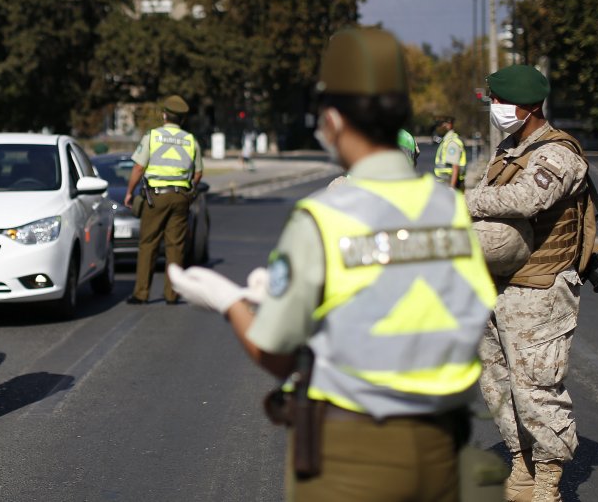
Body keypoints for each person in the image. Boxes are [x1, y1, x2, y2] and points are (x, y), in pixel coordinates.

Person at [167, 28, 499, 501]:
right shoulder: (450, 206)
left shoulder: (323, 218)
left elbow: (276, 354)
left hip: (353, 455)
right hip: (441, 447)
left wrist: (230, 302)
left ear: (334, 120)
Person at [466, 64, 594, 502]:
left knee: (536, 385)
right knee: (497, 384)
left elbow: (525, 199)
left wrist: (463, 203)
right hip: (497, 285)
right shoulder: (508, 149)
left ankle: (547, 481)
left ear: (530, 106)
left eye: (502, 102)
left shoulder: (558, 154)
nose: (496, 109)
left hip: (539, 289)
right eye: (493, 101)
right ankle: (521, 465)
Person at [123, 94, 203, 305]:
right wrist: (190, 191)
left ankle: (141, 293)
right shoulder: (190, 140)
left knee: (149, 243)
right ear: (183, 119)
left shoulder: (152, 137)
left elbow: (139, 167)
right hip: (180, 196)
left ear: (164, 115)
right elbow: (198, 173)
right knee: (175, 246)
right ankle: (172, 294)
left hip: (155, 197)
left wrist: (129, 192)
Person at [433, 115, 467, 189]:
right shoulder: (446, 140)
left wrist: (452, 188)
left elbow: (455, 166)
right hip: (445, 182)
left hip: (450, 183)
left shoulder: (452, 142)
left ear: (449, 125)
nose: (437, 128)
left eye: (440, 125)